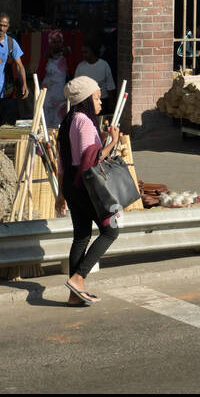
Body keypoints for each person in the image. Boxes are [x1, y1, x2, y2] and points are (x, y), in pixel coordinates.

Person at [55, 77, 122, 305]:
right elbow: (89, 163)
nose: (100, 102)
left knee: (82, 236)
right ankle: (79, 278)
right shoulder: (83, 121)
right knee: (110, 231)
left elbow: (63, 162)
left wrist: (61, 194)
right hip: (84, 186)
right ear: (84, 99)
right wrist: (113, 143)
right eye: (96, 97)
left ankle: (74, 295)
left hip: (71, 185)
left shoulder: (68, 121)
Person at [40, 33, 68, 126]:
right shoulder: (46, 55)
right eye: (54, 42)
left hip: (61, 93)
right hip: (48, 93)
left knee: (60, 117)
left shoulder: (66, 54)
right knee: (47, 117)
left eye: (59, 42)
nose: (57, 44)